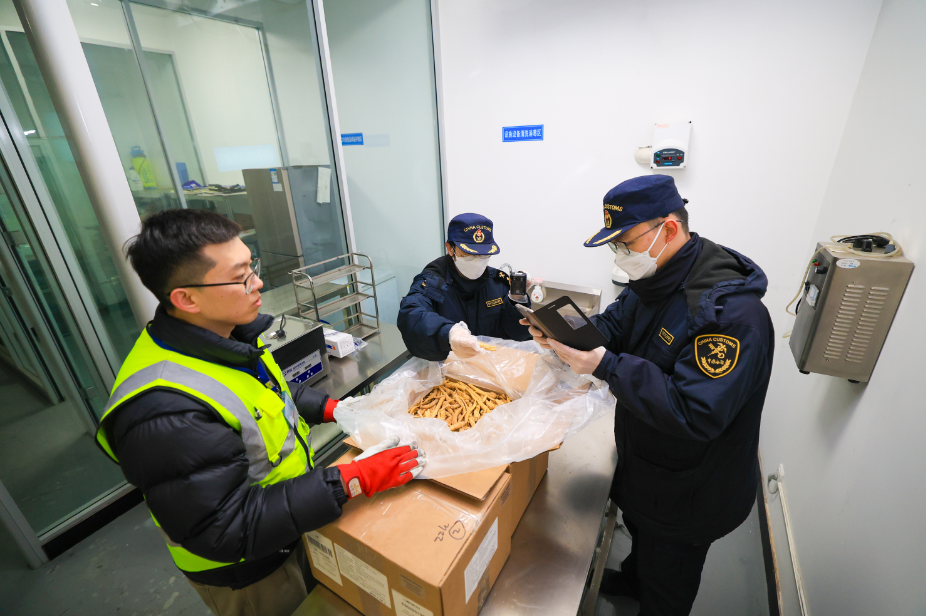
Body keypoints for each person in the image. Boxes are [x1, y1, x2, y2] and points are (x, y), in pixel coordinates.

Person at [94, 209, 426, 616]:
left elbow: (268, 394)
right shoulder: (162, 411)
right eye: (241, 277)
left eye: (253, 267)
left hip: (291, 520)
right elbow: (225, 528)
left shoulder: (225, 335)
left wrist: (334, 408)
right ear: (186, 298)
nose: (258, 283)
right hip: (251, 569)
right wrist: (349, 480)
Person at [522, 175, 773, 616]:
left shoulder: (729, 315)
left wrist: (605, 365)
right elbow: (614, 327)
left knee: (667, 581)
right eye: (614, 246)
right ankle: (633, 579)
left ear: (669, 229)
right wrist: (565, 335)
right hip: (649, 465)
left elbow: (694, 411)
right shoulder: (655, 278)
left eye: (626, 243)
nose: (621, 256)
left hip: (690, 493)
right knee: (641, 537)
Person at [398, 213, 534, 360]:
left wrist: (516, 299)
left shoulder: (497, 282)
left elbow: (513, 337)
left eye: (484, 255)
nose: (477, 261)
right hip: (448, 368)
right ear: (450, 249)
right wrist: (449, 333)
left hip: (490, 365)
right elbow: (411, 315)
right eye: (469, 254)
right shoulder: (433, 282)